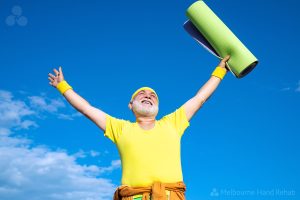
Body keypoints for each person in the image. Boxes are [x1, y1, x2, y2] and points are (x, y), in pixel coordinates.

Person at [48, 55, 230, 200]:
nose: (148, 95)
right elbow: (87, 109)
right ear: (130, 105)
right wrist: (62, 86)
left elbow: (200, 98)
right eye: (141, 94)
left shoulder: (173, 122)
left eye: (153, 95)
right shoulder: (119, 128)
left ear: (158, 106)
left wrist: (219, 71)